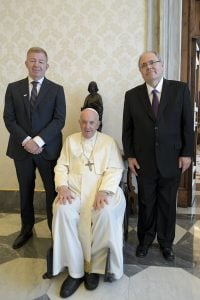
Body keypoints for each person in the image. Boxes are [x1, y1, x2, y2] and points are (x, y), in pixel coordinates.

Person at [122, 51, 194, 261]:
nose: (149, 67)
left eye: (153, 62)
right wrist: (131, 156)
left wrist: (187, 153)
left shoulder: (180, 90)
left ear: (161, 65)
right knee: (146, 202)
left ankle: (166, 243)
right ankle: (144, 240)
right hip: (144, 161)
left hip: (172, 159)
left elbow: (187, 125)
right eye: (144, 65)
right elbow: (127, 129)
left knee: (167, 203)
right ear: (140, 71)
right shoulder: (132, 95)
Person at [52, 108, 125, 298]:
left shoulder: (108, 142)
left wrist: (104, 190)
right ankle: (75, 272)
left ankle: (95, 269)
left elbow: (116, 169)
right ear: (79, 123)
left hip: (102, 190)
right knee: (62, 210)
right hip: (74, 191)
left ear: (98, 123)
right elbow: (61, 166)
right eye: (84, 122)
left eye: (92, 122)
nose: (88, 126)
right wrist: (62, 187)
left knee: (105, 212)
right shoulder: (70, 140)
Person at [3, 47, 66, 249]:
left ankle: (54, 230)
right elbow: (9, 119)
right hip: (21, 149)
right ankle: (26, 230)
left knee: (51, 192)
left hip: (47, 150)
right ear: (26, 64)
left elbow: (59, 120)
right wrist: (26, 141)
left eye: (40, 61)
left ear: (47, 65)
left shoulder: (57, 89)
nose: (36, 64)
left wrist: (38, 141)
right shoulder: (13, 88)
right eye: (32, 60)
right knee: (26, 190)